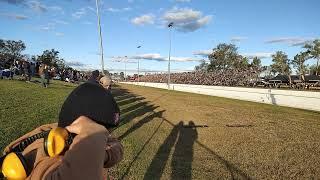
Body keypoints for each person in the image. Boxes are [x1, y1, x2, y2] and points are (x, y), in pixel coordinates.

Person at [2, 83, 123, 179]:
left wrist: (103, 152)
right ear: (80, 128)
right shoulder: (50, 162)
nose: (105, 137)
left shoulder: (60, 131)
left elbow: (116, 145)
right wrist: (94, 140)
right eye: (101, 132)